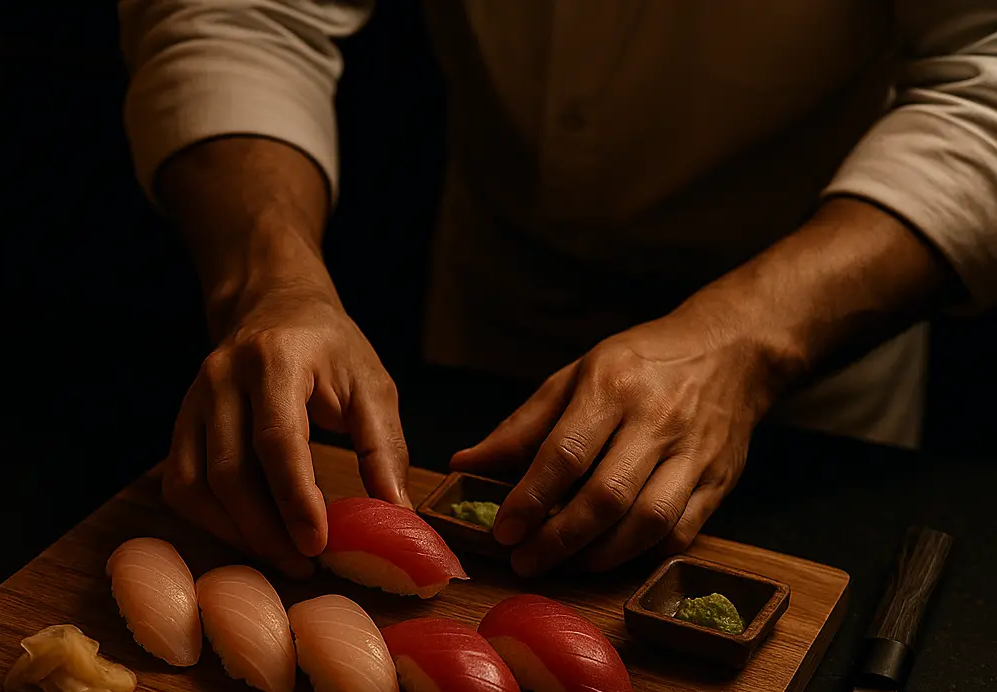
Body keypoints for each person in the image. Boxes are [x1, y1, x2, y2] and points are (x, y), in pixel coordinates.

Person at [118, 1, 997, 579]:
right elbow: (239, 13)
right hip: (489, 309)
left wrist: (746, 343)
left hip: (811, 353)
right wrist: (268, 282)